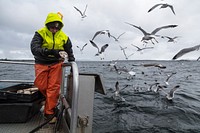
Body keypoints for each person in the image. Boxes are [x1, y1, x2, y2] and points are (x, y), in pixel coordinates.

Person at [30, 12, 75, 123]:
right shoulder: (40, 33)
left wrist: (72, 62)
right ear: (48, 25)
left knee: (53, 88)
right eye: (52, 27)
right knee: (41, 85)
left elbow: (69, 50)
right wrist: (51, 52)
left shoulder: (64, 37)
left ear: (60, 27)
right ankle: (45, 100)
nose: (54, 29)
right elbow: (34, 49)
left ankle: (49, 112)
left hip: (56, 64)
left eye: (57, 27)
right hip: (41, 63)